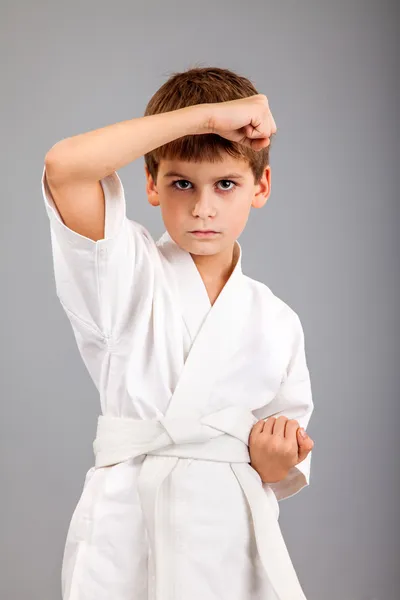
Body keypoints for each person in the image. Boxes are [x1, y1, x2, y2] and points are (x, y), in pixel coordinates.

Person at [41, 66, 315, 600]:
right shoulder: (124, 272)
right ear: (151, 184)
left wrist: (276, 455)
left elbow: (280, 461)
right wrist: (208, 118)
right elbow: (64, 167)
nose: (202, 207)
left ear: (261, 186)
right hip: (129, 528)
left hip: (231, 538)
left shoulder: (277, 320)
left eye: (226, 184)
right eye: (181, 183)